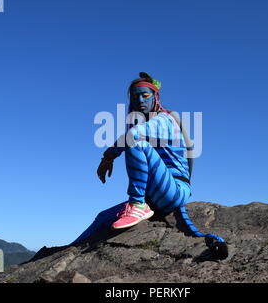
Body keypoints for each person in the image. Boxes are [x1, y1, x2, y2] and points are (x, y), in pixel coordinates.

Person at [71, 72, 192, 243]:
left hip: (175, 190)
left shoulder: (164, 120)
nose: (140, 101)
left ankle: (137, 204)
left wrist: (108, 156)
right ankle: (73, 247)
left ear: (155, 97)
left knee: (136, 142)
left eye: (145, 95)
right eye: (135, 97)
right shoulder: (146, 124)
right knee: (102, 217)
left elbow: (132, 136)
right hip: (157, 194)